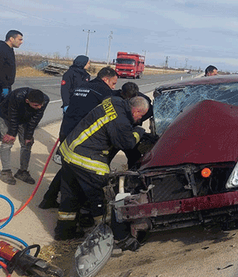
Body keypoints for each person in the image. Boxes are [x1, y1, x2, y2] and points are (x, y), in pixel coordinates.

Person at [54, 96, 149, 241]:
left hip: (69, 153)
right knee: (101, 199)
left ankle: (64, 232)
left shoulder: (114, 101)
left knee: (70, 194)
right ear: (136, 110)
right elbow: (127, 143)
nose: (139, 119)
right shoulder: (120, 121)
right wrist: (139, 132)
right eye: (140, 116)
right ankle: (108, 236)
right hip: (87, 160)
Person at [38, 67, 118, 209]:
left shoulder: (83, 86)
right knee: (77, 170)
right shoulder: (104, 92)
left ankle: (48, 199)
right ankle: (76, 205)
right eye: (113, 83)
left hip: (66, 130)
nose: (113, 87)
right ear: (106, 79)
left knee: (67, 167)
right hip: (78, 136)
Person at [0, 88, 49, 185]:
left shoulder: (45, 100)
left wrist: (28, 136)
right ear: (27, 101)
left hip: (24, 119)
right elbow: (12, 115)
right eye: (36, 105)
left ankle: (22, 172)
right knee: (7, 142)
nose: (39, 107)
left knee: (28, 143)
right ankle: (5, 172)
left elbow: (35, 119)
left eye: (41, 105)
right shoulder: (17, 95)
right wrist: (11, 134)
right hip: (6, 116)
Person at [109, 82, 154, 169]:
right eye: (127, 97)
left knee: (134, 156)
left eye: (132, 97)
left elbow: (150, 111)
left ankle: (132, 175)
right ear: (122, 93)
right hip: (115, 132)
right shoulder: (114, 97)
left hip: (130, 132)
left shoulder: (143, 99)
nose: (129, 99)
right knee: (108, 154)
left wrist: (138, 119)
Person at [0, 31, 24, 102]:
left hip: (6, 86)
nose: (21, 42)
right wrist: (4, 86)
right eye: (20, 39)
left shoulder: (9, 49)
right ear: (11, 39)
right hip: (2, 86)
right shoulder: (2, 49)